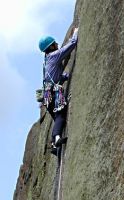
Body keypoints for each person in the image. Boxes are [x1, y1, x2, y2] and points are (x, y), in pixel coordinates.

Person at [38, 27, 78, 155]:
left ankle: (54, 146)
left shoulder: (46, 61)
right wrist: (76, 31)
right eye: (54, 44)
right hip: (54, 92)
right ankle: (56, 139)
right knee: (60, 114)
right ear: (50, 48)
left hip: (47, 94)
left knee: (57, 118)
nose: (57, 45)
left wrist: (64, 77)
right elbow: (72, 44)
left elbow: (54, 76)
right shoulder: (54, 56)